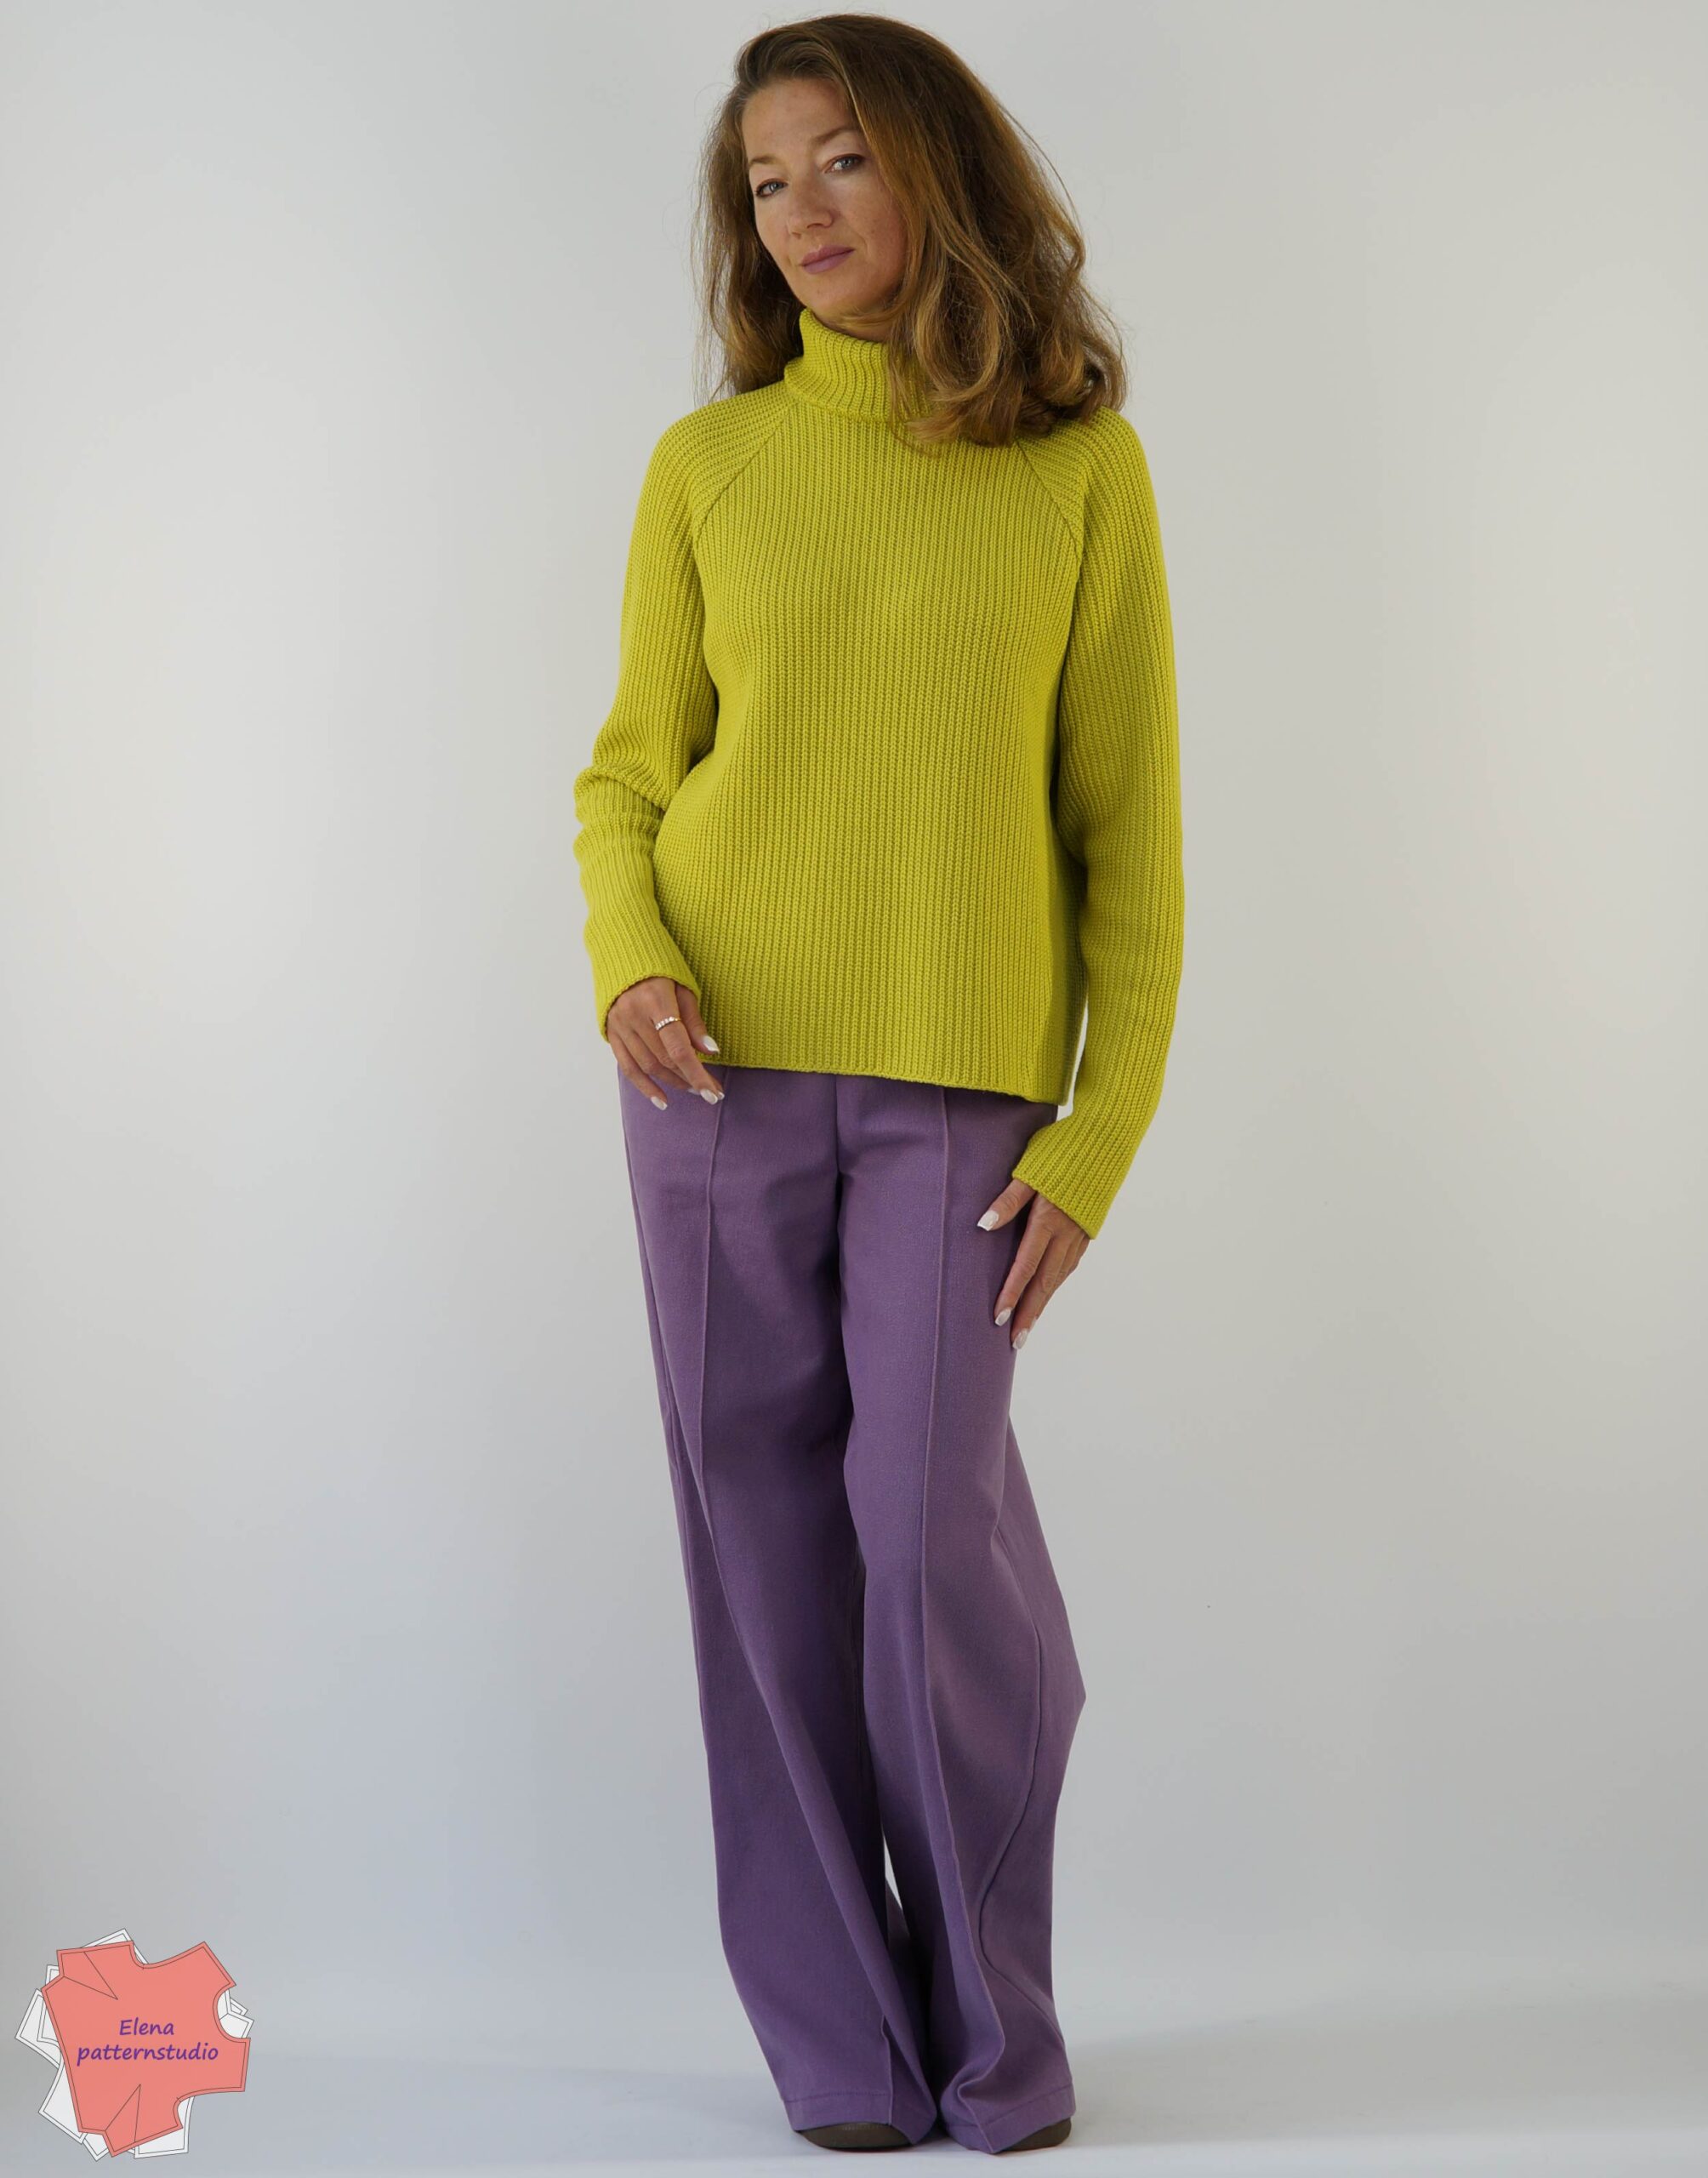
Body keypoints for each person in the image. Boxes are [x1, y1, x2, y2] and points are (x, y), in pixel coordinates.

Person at [572, 14, 1184, 2156]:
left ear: (937, 173)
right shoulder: (708, 467)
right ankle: (837, 2044)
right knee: (757, 1552)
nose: (800, 209)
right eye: (765, 181)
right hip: (710, 1082)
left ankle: (992, 2032)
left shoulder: (1077, 472)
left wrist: (1098, 1132)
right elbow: (627, 776)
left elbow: (1128, 838)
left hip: (965, 1102)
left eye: (839, 158)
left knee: (927, 1540)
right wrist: (630, 954)